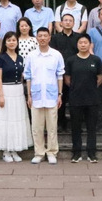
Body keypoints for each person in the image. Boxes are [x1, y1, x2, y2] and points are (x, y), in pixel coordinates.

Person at [25, 27, 65, 165]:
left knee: (52, 127)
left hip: (51, 96)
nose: (42, 38)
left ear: (49, 38)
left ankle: (52, 152)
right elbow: (28, 76)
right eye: (40, 36)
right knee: (37, 128)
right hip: (36, 96)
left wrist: (60, 94)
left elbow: (60, 76)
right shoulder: (31, 56)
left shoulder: (56, 55)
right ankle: (39, 153)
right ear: (36, 38)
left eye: (45, 36)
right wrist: (29, 95)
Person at [0, 31, 32, 162]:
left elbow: (22, 76)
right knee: (7, 120)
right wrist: (1, 95)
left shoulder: (20, 58)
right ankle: (6, 151)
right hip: (6, 90)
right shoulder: (1, 58)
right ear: (5, 42)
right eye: (9, 40)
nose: (11, 42)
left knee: (17, 119)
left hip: (18, 91)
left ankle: (15, 149)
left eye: (14, 40)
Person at [65, 34, 102, 163]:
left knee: (91, 127)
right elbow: (67, 79)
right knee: (76, 127)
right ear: (77, 45)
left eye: (85, 42)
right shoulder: (71, 60)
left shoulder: (96, 60)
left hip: (92, 98)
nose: (83, 45)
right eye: (80, 42)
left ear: (89, 44)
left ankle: (91, 153)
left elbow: (99, 78)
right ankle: (76, 153)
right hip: (75, 98)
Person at [50, 13, 80, 131]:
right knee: (60, 98)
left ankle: (76, 125)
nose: (67, 22)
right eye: (65, 20)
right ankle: (60, 123)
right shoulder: (55, 38)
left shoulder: (78, 37)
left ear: (74, 23)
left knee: (75, 100)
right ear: (61, 23)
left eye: (70, 20)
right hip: (58, 74)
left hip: (75, 73)